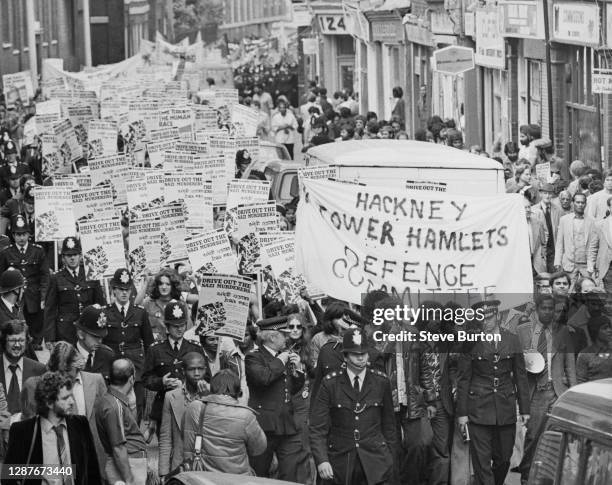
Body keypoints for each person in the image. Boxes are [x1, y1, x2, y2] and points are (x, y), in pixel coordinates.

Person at [456, 299, 530, 485]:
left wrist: (525, 408)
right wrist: (462, 414)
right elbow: (464, 379)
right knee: (481, 462)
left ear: (497, 316)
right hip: (478, 407)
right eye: (481, 319)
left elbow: (520, 375)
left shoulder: (511, 339)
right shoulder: (470, 342)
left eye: (488, 318)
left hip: (505, 406)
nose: (485, 322)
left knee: (504, 458)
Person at [310, 327, 396, 485]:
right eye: (356, 354)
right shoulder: (330, 383)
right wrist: (322, 460)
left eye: (364, 353)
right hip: (340, 460)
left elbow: (389, 427)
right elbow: (317, 428)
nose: (361, 358)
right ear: (345, 356)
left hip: (376, 460)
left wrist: (391, 460)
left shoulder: (381, 382)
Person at [21, 341, 107, 476]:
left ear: (77, 365)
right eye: (58, 371)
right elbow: (29, 427)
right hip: (52, 459)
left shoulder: (96, 381)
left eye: (67, 371)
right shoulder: (34, 385)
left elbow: (106, 422)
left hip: (91, 459)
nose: (62, 376)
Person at [516, 293, 577, 483]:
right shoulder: (523, 331)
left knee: (557, 436)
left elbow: (570, 364)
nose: (549, 312)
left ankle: (549, 477)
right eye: (545, 308)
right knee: (534, 436)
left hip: (557, 391)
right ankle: (526, 475)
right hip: (535, 392)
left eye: (552, 308)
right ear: (536, 308)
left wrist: (573, 393)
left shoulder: (564, 331)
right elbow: (517, 365)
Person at [3, 372, 101, 484]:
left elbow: (92, 471)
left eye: (71, 396)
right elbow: (9, 476)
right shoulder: (23, 431)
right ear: (49, 402)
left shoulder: (80, 424)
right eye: (65, 398)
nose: (72, 402)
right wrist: (50, 473)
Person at [245, 316, 310, 483]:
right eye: (284, 334)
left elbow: (290, 390)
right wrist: (280, 361)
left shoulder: (285, 355)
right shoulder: (254, 357)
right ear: (273, 337)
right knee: (260, 474)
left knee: (290, 474)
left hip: (287, 424)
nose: (288, 337)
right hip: (264, 426)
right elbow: (263, 378)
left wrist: (297, 372)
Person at [143, 299, 209, 438]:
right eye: (174, 326)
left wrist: (187, 385)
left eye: (182, 325)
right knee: (167, 447)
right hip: (164, 408)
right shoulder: (155, 350)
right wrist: (161, 382)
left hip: (192, 405)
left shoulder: (195, 348)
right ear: (167, 327)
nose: (179, 329)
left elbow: (207, 376)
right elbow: (146, 379)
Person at [183, 369, 267, 475]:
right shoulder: (246, 415)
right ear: (238, 391)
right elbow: (259, 449)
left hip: (204, 477)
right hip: (238, 479)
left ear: (212, 388)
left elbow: (188, 444)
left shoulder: (195, 407)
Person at [102, 268, 154, 422]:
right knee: (113, 405)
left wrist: (149, 369)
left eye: (127, 289)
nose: (124, 293)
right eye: (120, 289)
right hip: (113, 366)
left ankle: (135, 439)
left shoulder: (140, 313)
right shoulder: (105, 313)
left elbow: (149, 343)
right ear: (113, 290)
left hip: (135, 367)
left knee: (136, 405)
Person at [43, 237, 105, 346]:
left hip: (88, 330)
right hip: (66, 332)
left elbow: (100, 304)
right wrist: (49, 337)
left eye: (75, 254)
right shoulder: (56, 278)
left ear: (80, 256)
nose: (72, 258)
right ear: (63, 258)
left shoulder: (91, 274)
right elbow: (50, 309)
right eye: (68, 255)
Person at [159, 351, 210, 480]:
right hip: (179, 464)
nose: (197, 374)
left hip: (206, 465)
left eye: (201, 369)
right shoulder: (171, 396)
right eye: (192, 369)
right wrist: (164, 471)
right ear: (183, 371)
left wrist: (207, 398)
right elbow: (166, 436)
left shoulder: (214, 395)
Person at [0, 214, 49, 349]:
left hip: (35, 296)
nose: (21, 238)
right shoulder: (6, 253)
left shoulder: (38, 251)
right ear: (13, 235)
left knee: (36, 332)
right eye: (18, 234)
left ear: (29, 234)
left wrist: (43, 296)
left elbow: (45, 275)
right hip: (15, 297)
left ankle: (35, 345)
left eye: (24, 234)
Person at [96, 359, 148, 485]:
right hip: (128, 466)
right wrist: (130, 479)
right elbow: (118, 447)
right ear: (131, 379)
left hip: (128, 462)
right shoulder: (115, 406)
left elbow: (127, 429)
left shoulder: (110, 400)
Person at [0, 319, 45, 420]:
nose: (17, 345)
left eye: (21, 340)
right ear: (3, 341)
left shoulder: (40, 370)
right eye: (12, 340)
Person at [136, 268, 189, 343]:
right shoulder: (149, 302)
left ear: (173, 286)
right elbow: (135, 306)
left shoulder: (180, 304)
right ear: (156, 286)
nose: (164, 287)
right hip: (156, 348)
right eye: (161, 284)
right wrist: (146, 283)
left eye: (168, 284)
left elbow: (188, 328)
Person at [554, 192, 594, 278]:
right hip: (569, 264)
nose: (580, 205)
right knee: (569, 290)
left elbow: (594, 245)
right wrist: (557, 261)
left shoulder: (592, 222)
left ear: (585, 204)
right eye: (577, 202)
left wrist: (592, 264)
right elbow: (559, 243)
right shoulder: (564, 220)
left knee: (587, 289)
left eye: (582, 203)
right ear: (573, 203)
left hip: (586, 266)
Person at [75, 304, 115, 380]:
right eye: (95, 337)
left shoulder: (108, 356)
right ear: (80, 334)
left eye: (101, 337)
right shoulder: (67, 356)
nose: (100, 341)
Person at [532, 183, 562, 272]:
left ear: (552, 195)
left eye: (549, 193)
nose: (547, 196)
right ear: (540, 194)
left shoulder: (558, 210)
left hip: (553, 248)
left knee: (554, 274)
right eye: (545, 193)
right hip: (540, 249)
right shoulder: (533, 210)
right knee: (542, 275)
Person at [587, 196, 612, 292]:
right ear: (609, 207)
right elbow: (593, 248)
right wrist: (590, 264)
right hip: (607, 267)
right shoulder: (599, 225)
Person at [576, 318, 612, 383]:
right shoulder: (585, 354)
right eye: (605, 328)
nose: (609, 330)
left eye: (610, 327)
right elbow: (580, 382)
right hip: (592, 391)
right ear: (595, 331)